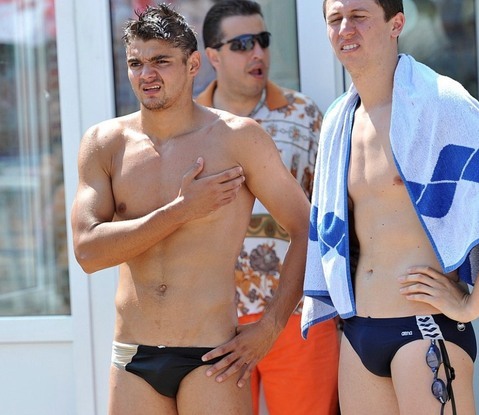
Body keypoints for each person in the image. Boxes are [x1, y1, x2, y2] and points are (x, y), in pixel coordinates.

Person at [70, 4, 310, 415]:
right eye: (136, 63)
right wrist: (181, 210)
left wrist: (271, 326)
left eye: (161, 61)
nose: (147, 74)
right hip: (132, 356)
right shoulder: (105, 143)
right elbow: (88, 252)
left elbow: (307, 228)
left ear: (194, 64)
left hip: (211, 354)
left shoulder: (237, 139)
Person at [301, 0, 479, 414]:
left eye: (359, 16)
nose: (345, 28)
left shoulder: (442, 103)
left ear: (396, 23)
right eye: (335, 19)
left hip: (424, 326)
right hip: (359, 331)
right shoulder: (339, 120)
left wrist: (469, 305)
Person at [197, 1, 340, 414]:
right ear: (213, 56)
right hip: (210, 320)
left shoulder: (305, 115)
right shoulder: (188, 122)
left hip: (297, 313)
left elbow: (330, 215)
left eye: (262, 40)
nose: (257, 53)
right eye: (242, 44)